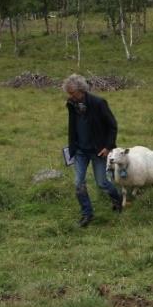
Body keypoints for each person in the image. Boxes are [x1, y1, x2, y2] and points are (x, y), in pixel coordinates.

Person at [63, 74, 123, 227]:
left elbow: (112, 125)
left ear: (81, 90)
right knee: (78, 183)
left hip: (98, 150)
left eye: (73, 93)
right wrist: (72, 147)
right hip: (80, 151)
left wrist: (108, 147)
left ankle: (117, 199)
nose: (70, 96)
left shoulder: (98, 103)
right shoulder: (71, 104)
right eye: (68, 93)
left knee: (102, 183)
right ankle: (87, 214)